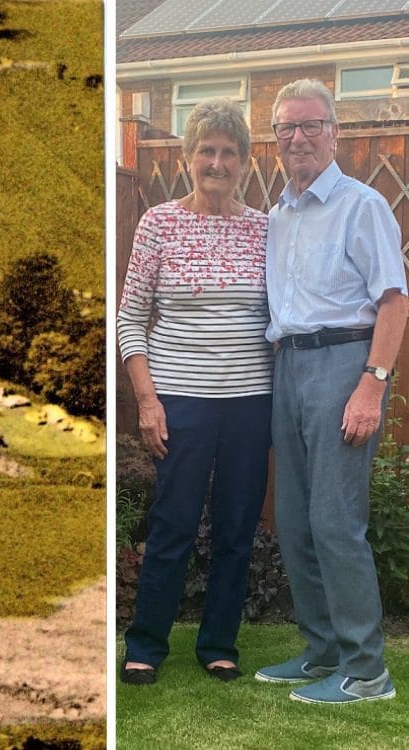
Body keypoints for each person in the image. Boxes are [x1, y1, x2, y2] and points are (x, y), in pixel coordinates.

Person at [253, 78, 408, 704]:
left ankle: (367, 671)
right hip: (288, 367)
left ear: (334, 132)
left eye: (311, 125)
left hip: (345, 365)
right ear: (276, 137)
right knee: (294, 521)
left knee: (336, 520)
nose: (299, 137)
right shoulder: (277, 216)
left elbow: (393, 301)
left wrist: (372, 385)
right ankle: (322, 651)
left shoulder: (361, 205)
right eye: (287, 127)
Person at [116, 97, 272, 685]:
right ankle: (146, 644)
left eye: (229, 152)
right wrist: (148, 400)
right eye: (206, 150)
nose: (217, 162)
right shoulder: (158, 224)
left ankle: (218, 643)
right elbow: (131, 319)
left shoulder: (265, 229)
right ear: (187, 157)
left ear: (245, 162)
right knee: (173, 524)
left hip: (251, 404)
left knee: (236, 527)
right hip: (180, 402)